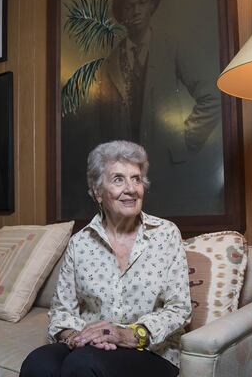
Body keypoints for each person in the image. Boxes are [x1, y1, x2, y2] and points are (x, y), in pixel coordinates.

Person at [20, 141, 192, 377]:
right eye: (119, 179)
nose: (131, 188)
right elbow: (61, 311)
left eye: (136, 179)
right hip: (89, 346)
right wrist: (76, 338)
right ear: (98, 192)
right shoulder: (80, 243)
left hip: (151, 351)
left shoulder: (165, 234)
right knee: (38, 363)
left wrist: (127, 335)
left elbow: (179, 309)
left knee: (83, 364)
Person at [90, 0, 224, 216]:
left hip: (168, 168)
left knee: (167, 232)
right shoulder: (109, 64)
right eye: (129, 6)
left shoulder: (171, 46)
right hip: (125, 179)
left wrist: (186, 138)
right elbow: (103, 128)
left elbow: (212, 97)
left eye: (142, 2)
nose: (136, 10)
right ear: (122, 13)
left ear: (152, 5)